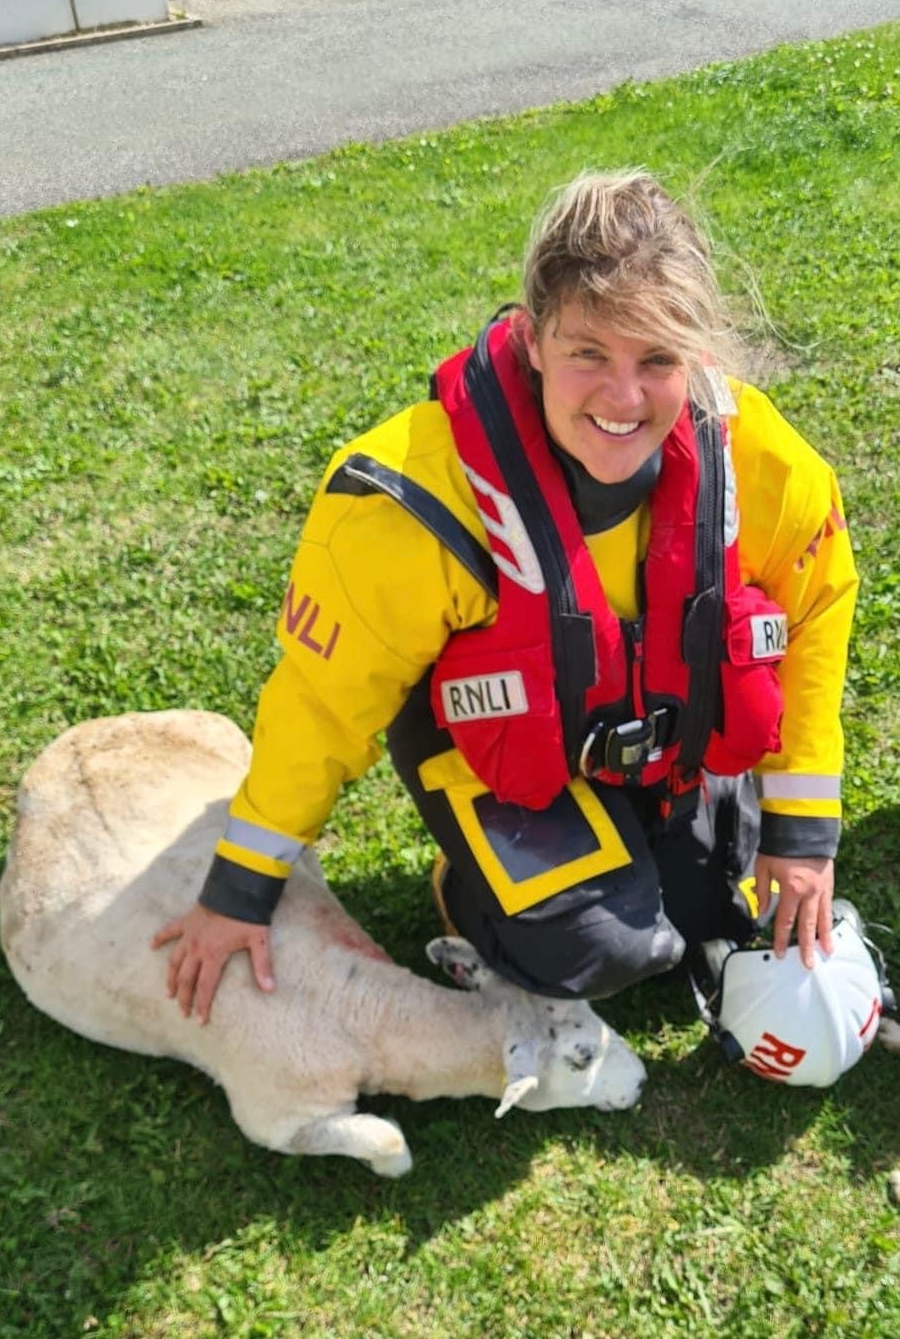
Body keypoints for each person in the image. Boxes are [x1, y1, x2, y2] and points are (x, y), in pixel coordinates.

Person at [153, 169, 858, 1027]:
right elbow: (321, 705)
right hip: (496, 738)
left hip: (651, 721)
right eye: (587, 353)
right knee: (604, 951)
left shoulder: (760, 463)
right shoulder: (408, 499)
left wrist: (801, 835)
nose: (623, 398)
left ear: (698, 355)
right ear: (531, 340)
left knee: (711, 914)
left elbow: (815, 616)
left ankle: (652, 821)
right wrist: (241, 886)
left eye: (658, 360)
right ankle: (466, 886)